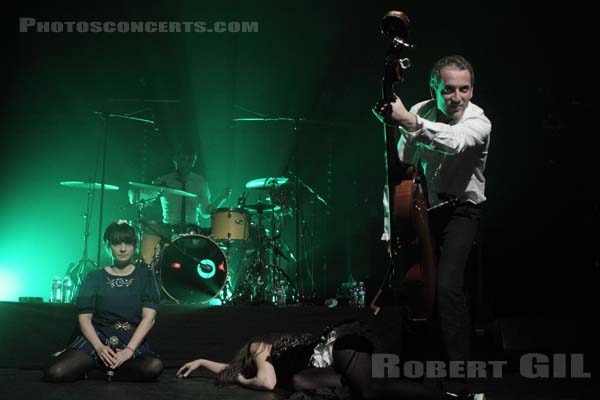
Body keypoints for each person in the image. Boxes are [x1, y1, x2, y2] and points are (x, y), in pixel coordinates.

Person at [374, 55, 491, 393]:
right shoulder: (421, 110)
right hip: (425, 208)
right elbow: (399, 172)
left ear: (472, 89)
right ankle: (411, 374)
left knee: (447, 287)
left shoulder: (480, 122)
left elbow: (453, 143)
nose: (457, 97)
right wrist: (389, 228)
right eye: (449, 90)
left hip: (462, 211)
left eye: (464, 89)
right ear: (434, 88)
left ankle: (460, 379)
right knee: (415, 287)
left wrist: (409, 122)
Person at [176, 320, 484, 400]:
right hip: (332, 361)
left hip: (338, 345)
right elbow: (230, 368)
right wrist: (204, 361)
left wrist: (244, 380)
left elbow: (266, 382)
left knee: (369, 391)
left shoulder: (259, 347)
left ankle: (454, 396)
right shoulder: (281, 365)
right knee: (305, 382)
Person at [44, 221, 164, 382]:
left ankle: (99, 372)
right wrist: (99, 347)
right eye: (116, 243)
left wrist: (128, 350)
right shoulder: (94, 277)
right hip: (97, 339)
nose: (122, 249)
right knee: (56, 372)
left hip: (131, 339)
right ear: (108, 246)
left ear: (134, 246)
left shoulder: (146, 277)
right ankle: (105, 369)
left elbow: (149, 318)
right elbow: (84, 318)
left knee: (153, 367)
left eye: (127, 243)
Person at [152, 150, 231, 234]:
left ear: (194, 162)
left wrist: (221, 198)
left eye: (190, 160)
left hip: (192, 230)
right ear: (176, 160)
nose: (186, 163)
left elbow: (205, 213)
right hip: (169, 229)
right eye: (183, 159)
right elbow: (147, 198)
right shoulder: (163, 181)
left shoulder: (200, 182)